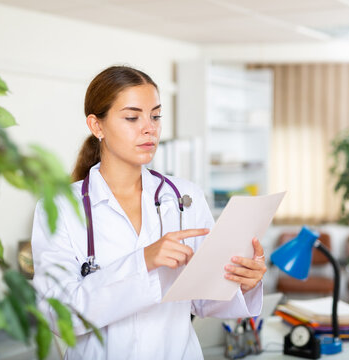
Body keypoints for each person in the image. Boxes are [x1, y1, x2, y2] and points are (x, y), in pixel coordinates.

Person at [31, 66, 266, 359]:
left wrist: (243, 282)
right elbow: (59, 316)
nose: (149, 128)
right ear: (97, 126)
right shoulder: (62, 207)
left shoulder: (184, 197)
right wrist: (143, 261)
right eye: (132, 117)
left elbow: (204, 301)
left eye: (155, 116)